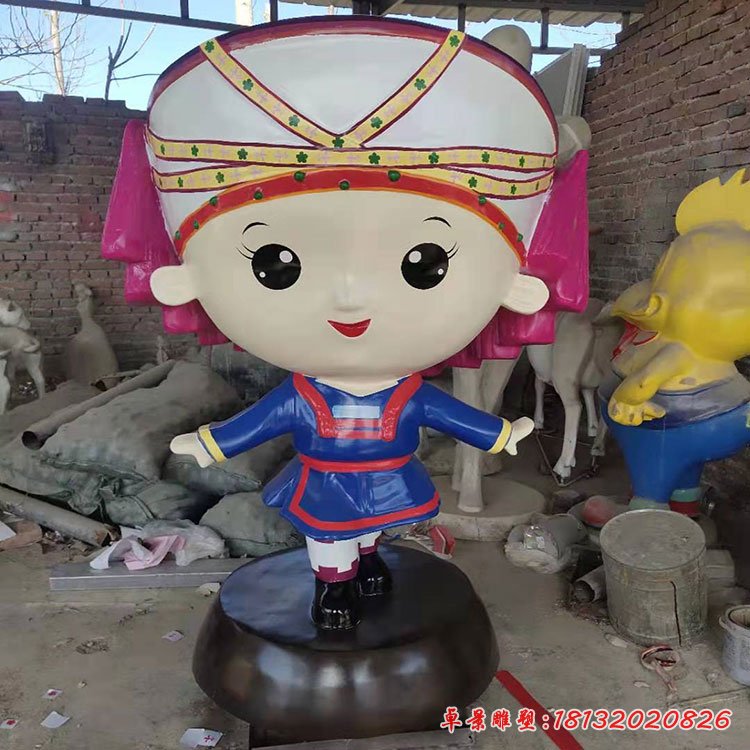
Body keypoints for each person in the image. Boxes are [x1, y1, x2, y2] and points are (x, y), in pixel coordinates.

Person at [105, 18, 569, 629]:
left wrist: (499, 434)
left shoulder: (407, 391)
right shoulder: (304, 394)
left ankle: (368, 562)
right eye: (275, 263)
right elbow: (257, 423)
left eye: (424, 263)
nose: (350, 297)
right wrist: (210, 442)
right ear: (185, 280)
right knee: (329, 536)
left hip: (389, 478)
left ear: (514, 288)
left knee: (372, 529)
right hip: (326, 478)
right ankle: (334, 589)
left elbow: (452, 415)